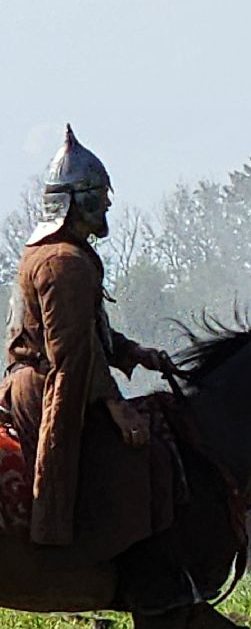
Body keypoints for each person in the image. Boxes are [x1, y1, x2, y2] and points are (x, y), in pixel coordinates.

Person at [0, 125, 177, 547]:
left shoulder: (60, 255)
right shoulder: (64, 262)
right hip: (52, 387)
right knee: (125, 453)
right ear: (75, 202)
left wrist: (136, 353)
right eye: (96, 197)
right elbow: (72, 352)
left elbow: (87, 333)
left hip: (58, 376)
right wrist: (116, 406)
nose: (104, 207)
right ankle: (76, 549)